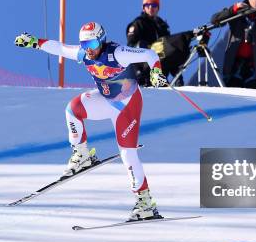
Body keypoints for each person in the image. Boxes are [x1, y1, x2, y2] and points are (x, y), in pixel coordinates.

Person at [15, 22, 168, 221]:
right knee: (73, 109)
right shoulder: (84, 54)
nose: (89, 49)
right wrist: (35, 42)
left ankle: (145, 203)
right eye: (85, 44)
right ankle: (82, 154)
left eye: (93, 43)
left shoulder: (118, 53)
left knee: (127, 153)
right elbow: (60, 48)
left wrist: (156, 72)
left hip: (128, 105)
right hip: (108, 101)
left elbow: (149, 55)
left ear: (102, 40)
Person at [126, 0, 172, 86]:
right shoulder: (138, 24)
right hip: (142, 68)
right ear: (144, 7)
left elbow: (169, 49)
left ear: (158, 8)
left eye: (154, 5)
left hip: (159, 70)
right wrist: (138, 71)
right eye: (148, 5)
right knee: (140, 45)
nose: (151, 7)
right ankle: (141, 77)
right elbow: (131, 48)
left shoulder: (161, 27)